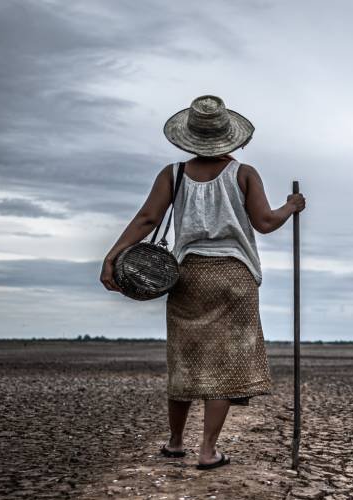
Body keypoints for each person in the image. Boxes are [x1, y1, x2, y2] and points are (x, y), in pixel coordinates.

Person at [100, 94, 305, 470]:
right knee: (224, 365)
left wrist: (114, 254)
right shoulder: (243, 173)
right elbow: (264, 222)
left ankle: (176, 442)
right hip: (234, 276)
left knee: (184, 358)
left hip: (188, 274)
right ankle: (208, 451)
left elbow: (147, 219)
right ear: (231, 137)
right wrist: (290, 208)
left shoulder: (173, 174)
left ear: (189, 137)